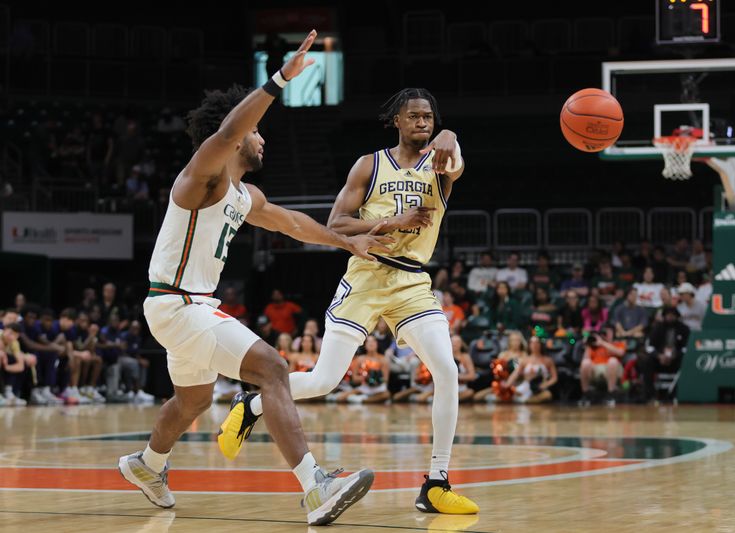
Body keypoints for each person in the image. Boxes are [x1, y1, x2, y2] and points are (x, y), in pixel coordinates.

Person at [118, 31, 387, 526]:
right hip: (177, 305)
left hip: (190, 308)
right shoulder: (203, 174)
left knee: (195, 398)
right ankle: (316, 488)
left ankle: (147, 464)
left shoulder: (244, 195)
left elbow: (293, 223)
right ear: (239, 133)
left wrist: (348, 242)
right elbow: (225, 135)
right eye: (256, 130)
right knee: (272, 367)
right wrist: (282, 77)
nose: (262, 137)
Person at [218, 86, 478, 514]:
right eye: (413, 116)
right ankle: (253, 403)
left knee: (447, 371)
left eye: (428, 118)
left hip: (412, 284)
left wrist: (450, 135)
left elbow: (454, 159)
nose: (422, 124)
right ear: (396, 120)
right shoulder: (369, 165)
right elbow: (336, 222)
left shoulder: (441, 165)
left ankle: (436, 483)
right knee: (324, 381)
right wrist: (395, 220)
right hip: (366, 277)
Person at [640, 306, 689, 402]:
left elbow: (686, 348)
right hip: (660, 360)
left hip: (676, 360)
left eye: (672, 315)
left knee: (687, 361)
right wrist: (659, 356)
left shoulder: (684, 329)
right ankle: (650, 395)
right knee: (647, 361)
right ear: (664, 316)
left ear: (677, 316)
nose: (670, 317)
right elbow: (649, 347)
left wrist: (675, 356)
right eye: (668, 315)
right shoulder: (657, 328)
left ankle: (678, 394)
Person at [578, 324, 626, 407]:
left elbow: (620, 353)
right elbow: (584, 360)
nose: (605, 334)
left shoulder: (618, 343)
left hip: (612, 371)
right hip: (595, 371)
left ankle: (611, 395)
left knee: (612, 361)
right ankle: (586, 395)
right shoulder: (594, 345)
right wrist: (588, 345)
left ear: (613, 333)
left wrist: (603, 343)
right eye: (604, 332)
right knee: (585, 362)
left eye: (608, 332)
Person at [503, 336, 557, 404]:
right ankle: (525, 399)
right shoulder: (525, 360)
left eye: (537, 343)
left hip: (540, 388)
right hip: (526, 387)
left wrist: (545, 384)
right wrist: (507, 384)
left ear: (540, 344)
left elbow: (554, 378)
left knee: (547, 394)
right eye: (532, 343)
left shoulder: (548, 360)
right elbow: (515, 374)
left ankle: (527, 400)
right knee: (509, 392)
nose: (534, 345)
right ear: (529, 345)